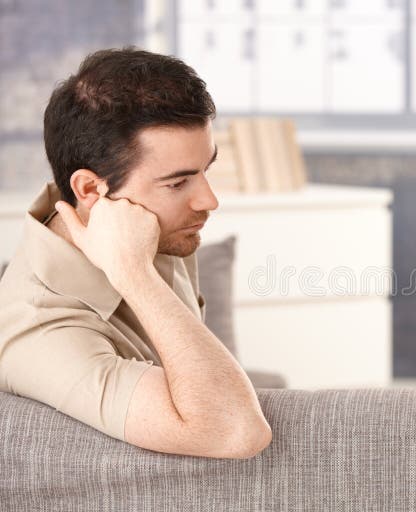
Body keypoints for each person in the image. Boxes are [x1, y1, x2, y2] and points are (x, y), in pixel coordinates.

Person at [0, 48, 271, 458]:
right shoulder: (39, 331)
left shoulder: (147, 225)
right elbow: (236, 431)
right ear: (89, 190)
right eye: (177, 183)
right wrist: (135, 275)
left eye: (206, 169)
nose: (209, 201)